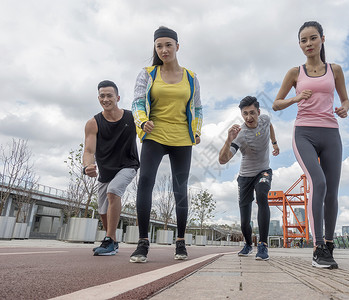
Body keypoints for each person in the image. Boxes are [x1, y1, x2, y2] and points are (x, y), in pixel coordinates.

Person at [273, 21, 349, 269]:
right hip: (304, 132)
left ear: (322, 40)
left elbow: (346, 99)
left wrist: (344, 109)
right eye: (304, 40)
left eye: (313, 38)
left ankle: (329, 244)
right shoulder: (295, 73)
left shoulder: (335, 70)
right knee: (318, 182)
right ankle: (317, 248)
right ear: (299, 44)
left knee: (332, 192)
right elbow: (276, 103)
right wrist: (295, 97)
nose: (308, 44)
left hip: (331, 134)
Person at [130, 26, 202, 263]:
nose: (163, 50)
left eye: (168, 45)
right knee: (145, 182)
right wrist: (142, 122)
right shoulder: (148, 73)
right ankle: (142, 243)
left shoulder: (191, 77)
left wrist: (197, 130)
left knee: (180, 188)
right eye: (159, 46)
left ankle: (180, 242)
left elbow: (198, 107)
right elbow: (138, 102)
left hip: (182, 138)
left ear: (177, 47)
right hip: (154, 135)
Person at [219, 96, 279, 261]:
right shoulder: (240, 135)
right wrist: (228, 140)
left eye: (252, 113)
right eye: (245, 114)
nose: (248, 117)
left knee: (262, 194)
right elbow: (223, 160)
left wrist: (274, 143)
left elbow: (270, 127)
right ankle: (247, 244)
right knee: (245, 221)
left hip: (263, 171)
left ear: (259, 112)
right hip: (245, 176)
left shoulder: (265, 120)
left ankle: (263, 245)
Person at [83, 80, 140, 256]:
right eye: (102, 96)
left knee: (114, 191)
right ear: (98, 98)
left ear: (117, 97)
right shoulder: (93, 123)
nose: (106, 99)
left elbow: (151, 132)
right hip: (106, 172)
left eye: (109, 95)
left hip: (128, 165)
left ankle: (108, 241)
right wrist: (87, 166)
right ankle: (113, 241)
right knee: (102, 211)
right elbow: (89, 150)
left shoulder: (132, 118)